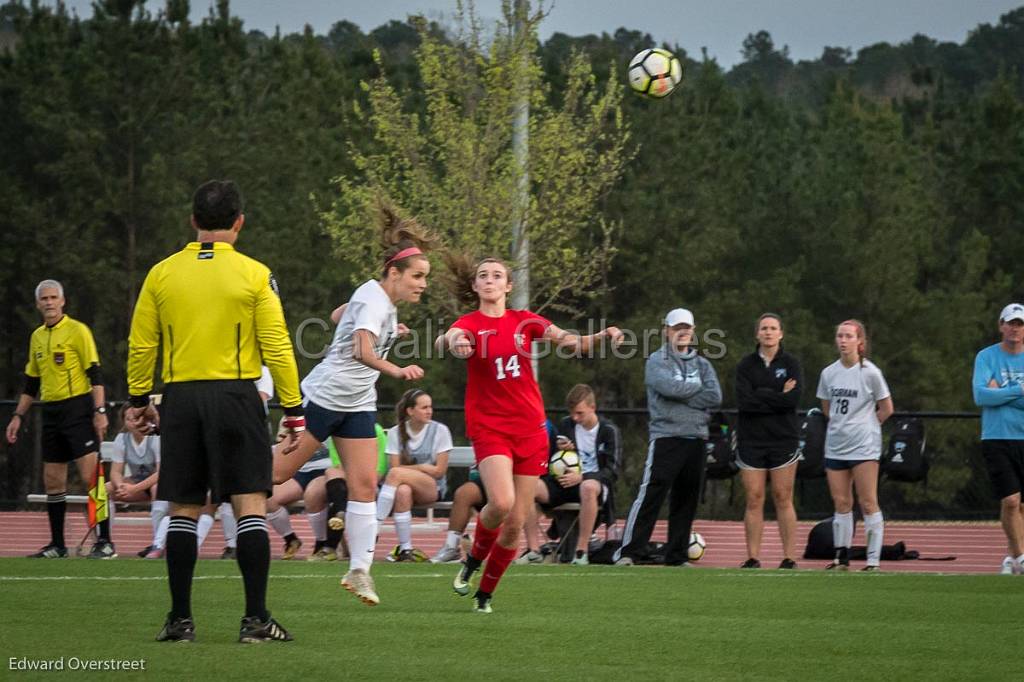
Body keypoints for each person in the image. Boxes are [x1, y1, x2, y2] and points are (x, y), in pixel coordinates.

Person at [127, 180, 304, 643]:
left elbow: (142, 342)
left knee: (183, 509)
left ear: (193, 222)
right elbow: (278, 345)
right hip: (236, 395)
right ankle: (256, 621)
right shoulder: (254, 273)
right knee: (249, 505)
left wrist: (139, 400)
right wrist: (294, 409)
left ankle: (180, 621)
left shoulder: (161, 273)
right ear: (239, 222)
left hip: (182, 397)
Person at [272, 200, 437, 607]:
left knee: (364, 485)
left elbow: (335, 316)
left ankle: (360, 569)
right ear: (394, 274)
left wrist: (385, 329)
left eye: (425, 277)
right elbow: (362, 351)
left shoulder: (376, 297)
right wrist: (397, 369)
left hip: (358, 402)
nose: (423, 284)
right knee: (275, 476)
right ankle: (219, 468)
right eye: (417, 276)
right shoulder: (375, 301)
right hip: (325, 398)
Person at [438, 254, 623, 613]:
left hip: (530, 429)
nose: (489, 280)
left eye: (497, 276)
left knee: (514, 526)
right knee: (502, 503)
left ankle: (485, 595)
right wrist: (454, 341)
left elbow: (570, 342)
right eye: (483, 276)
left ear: (508, 286)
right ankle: (473, 559)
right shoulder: (470, 324)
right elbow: (447, 338)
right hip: (490, 427)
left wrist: (601, 335)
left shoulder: (525, 322)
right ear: (475, 286)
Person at [5, 279, 114, 559]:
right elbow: (31, 383)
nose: (50, 302)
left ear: (63, 301)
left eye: (54, 297)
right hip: (51, 412)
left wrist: (99, 411)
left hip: (78, 408)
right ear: (38, 304)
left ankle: (105, 542)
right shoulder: (37, 337)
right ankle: (57, 545)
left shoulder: (78, 331)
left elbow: (95, 374)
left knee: (92, 478)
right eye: (45, 299)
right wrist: (18, 415)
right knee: (53, 481)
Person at [613, 308, 722, 567]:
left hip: (696, 438)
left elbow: (715, 397)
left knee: (686, 499)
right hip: (666, 436)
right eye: (676, 327)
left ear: (693, 331)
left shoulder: (704, 364)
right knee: (652, 495)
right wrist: (695, 391)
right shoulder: (656, 360)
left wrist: (682, 394)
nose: (682, 331)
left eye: (687, 327)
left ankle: (676, 556)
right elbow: (668, 388)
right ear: (666, 331)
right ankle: (630, 552)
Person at [816, 319, 893, 571]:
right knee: (841, 501)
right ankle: (842, 557)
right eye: (840, 336)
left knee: (868, 501)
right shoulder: (829, 373)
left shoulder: (870, 372)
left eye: (848, 336)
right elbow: (827, 408)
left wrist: (868, 426)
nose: (843, 341)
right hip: (836, 444)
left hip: (864, 446)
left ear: (860, 341)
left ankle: (872, 560)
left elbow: (886, 408)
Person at [523, 384, 622, 565]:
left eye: (580, 413)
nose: (575, 418)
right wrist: (561, 452)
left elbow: (612, 471)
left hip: (593, 485)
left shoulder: (609, 430)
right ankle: (533, 550)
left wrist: (582, 477)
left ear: (593, 407)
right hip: (564, 482)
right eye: (572, 413)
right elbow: (555, 460)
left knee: (588, 487)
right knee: (527, 486)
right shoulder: (566, 425)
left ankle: (581, 551)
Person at [734, 313, 803, 569]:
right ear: (757, 334)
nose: (768, 332)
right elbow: (744, 402)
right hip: (751, 439)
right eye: (764, 328)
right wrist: (775, 395)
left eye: (773, 328)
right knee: (754, 497)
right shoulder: (745, 366)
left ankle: (789, 557)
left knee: (783, 496)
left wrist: (761, 395)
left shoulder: (792, 364)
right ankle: (752, 557)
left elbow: (792, 401)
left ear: (781, 333)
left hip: (783, 439)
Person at [972, 303, 1024, 575]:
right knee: (1011, 501)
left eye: (1020, 324)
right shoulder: (986, 357)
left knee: (1023, 505)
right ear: (1001, 325)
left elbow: (993, 395)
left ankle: (1013, 557)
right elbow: (981, 396)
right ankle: (1020, 556)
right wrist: (1018, 390)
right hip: (996, 436)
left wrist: (1002, 393)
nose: (1015, 328)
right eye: (1010, 322)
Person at [379, 389, 453, 562]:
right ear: (410, 411)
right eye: (424, 407)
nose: (429, 411)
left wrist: (413, 469)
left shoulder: (440, 430)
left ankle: (374, 526)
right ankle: (406, 548)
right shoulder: (395, 432)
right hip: (407, 487)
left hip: (433, 487)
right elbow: (395, 468)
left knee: (397, 474)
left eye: (430, 407)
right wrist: (422, 467)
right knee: (403, 490)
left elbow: (439, 471)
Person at [108, 405, 165, 559]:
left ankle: (158, 543)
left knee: (156, 489)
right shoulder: (122, 439)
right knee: (104, 490)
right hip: (137, 484)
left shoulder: (155, 437)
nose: (133, 422)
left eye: (136, 418)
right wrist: (120, 486)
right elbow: (115, 471)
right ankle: (104, 541)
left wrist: (133, 489)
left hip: (157, 484)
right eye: (128, 419)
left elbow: (161, 472)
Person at [430, 467, 487, 563]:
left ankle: (490, 547)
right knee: (464, 493)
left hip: (515, 477)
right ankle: (451, 547)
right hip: (492, 477)